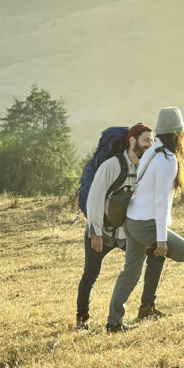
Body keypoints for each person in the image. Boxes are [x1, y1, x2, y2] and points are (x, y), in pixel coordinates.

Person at [105, 107, 184, 332]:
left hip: (132, 220)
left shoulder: (152, 151)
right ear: (178, 134)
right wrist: (161, 239)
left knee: (131, 272)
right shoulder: (167, 159)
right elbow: (161, 202)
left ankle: (114, 322)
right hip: (146, 224)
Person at [76, 122, 166, 330]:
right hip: (102, 232)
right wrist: (95, 232)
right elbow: (95, 200)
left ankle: (147, 307)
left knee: (157, 254)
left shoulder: (145, 168)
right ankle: (82, 319)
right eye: (145, 140)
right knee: (90, 274)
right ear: (132, 140)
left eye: (151, 142)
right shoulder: (112, 166)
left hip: (127, 232)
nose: (148, 145)